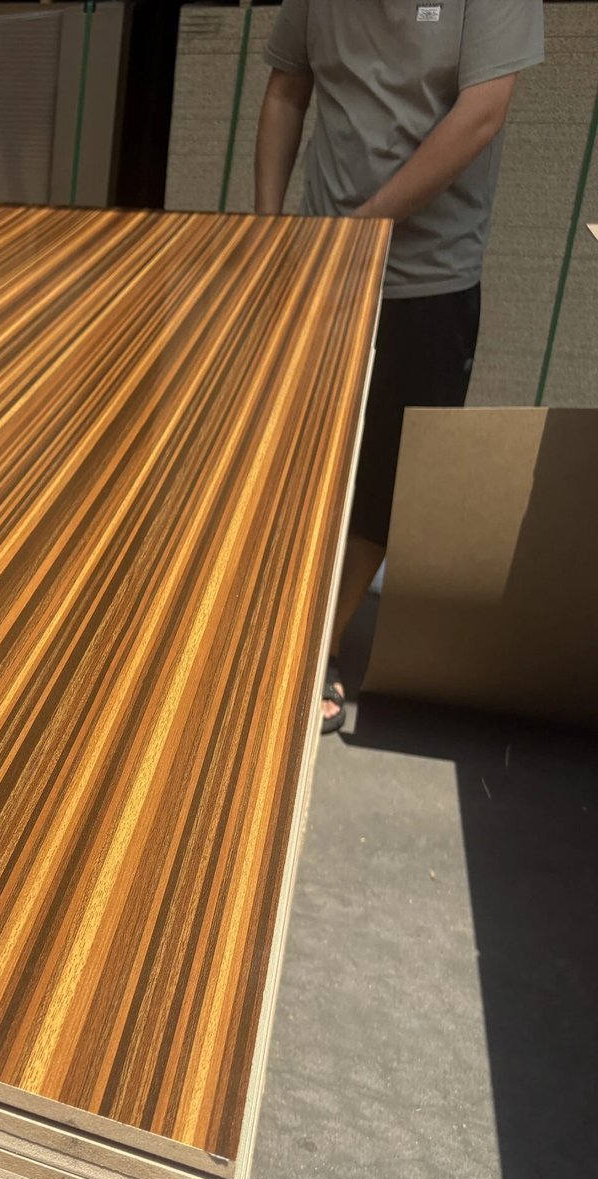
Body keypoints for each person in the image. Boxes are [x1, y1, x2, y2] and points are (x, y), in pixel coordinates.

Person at [255, 0, 543, 733]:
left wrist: (361, 231)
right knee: (297, 462)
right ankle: (272, 624)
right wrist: (269, 232)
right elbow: (287, 87)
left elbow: (482, 114)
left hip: (428, 276)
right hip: (318, 264)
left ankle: (317, 646)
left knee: (384, 484)